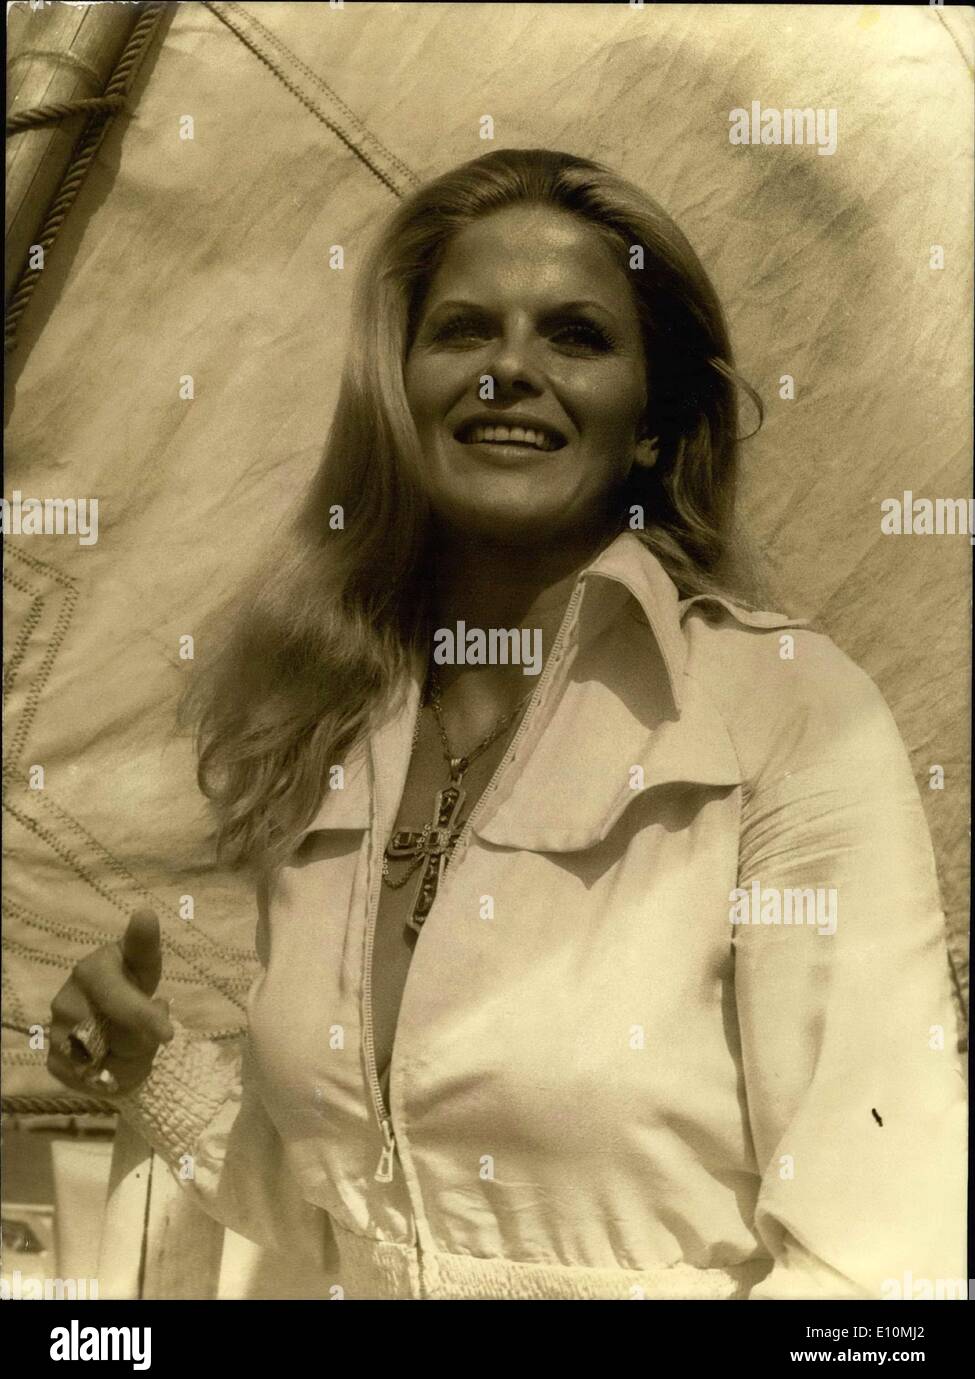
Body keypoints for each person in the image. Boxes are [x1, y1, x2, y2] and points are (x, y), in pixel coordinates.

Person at [47, 148, 966, 1300]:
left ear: (650, 423)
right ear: (400, 388)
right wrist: (153, 1067)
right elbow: (364, 1217)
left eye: (575, 336)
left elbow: (883, 1260)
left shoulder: (783, 714)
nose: (509, 370)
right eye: (463, 331)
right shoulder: (327, 728)